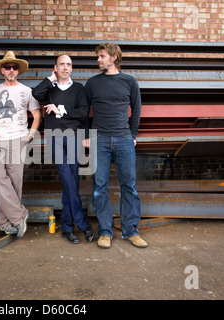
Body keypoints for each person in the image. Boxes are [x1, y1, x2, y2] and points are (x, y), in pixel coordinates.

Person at [84, 42, 148, 249]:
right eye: (98, 57)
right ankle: (105, 231)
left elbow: (136, 109)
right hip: (100, 139)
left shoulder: (129, 81)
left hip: (123, 139)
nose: (98, 60)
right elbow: (84, 112)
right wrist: (87, 135)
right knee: (99, 187)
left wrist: (133, 135)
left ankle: (130, 230)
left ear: (113, 58)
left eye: (101, 56)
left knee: (129, 185)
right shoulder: (92, 83)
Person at [32, 54, 94, 244]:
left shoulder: (78, 89)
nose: (65, 68)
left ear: (72, 68)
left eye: (69, 65)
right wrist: (50, 79)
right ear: (56, 67)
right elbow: (36, 94)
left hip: (74, 138)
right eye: (62, 64)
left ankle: (67, 228)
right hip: (55, 139)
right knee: (68, 180)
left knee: (71, 183)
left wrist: (60, 111)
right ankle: (83, 225)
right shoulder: (49, 88)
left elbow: (83, 113)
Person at [0, 51, 41, 238]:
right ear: (2, 70)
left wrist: (30, 136)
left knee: (15, 182)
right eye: (8, 67)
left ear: (18, 71)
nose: (11, 70)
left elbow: (36, 115)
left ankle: (6, 223)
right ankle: (20, 216)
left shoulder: (27, 91)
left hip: (18, 138)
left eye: (14, 67)